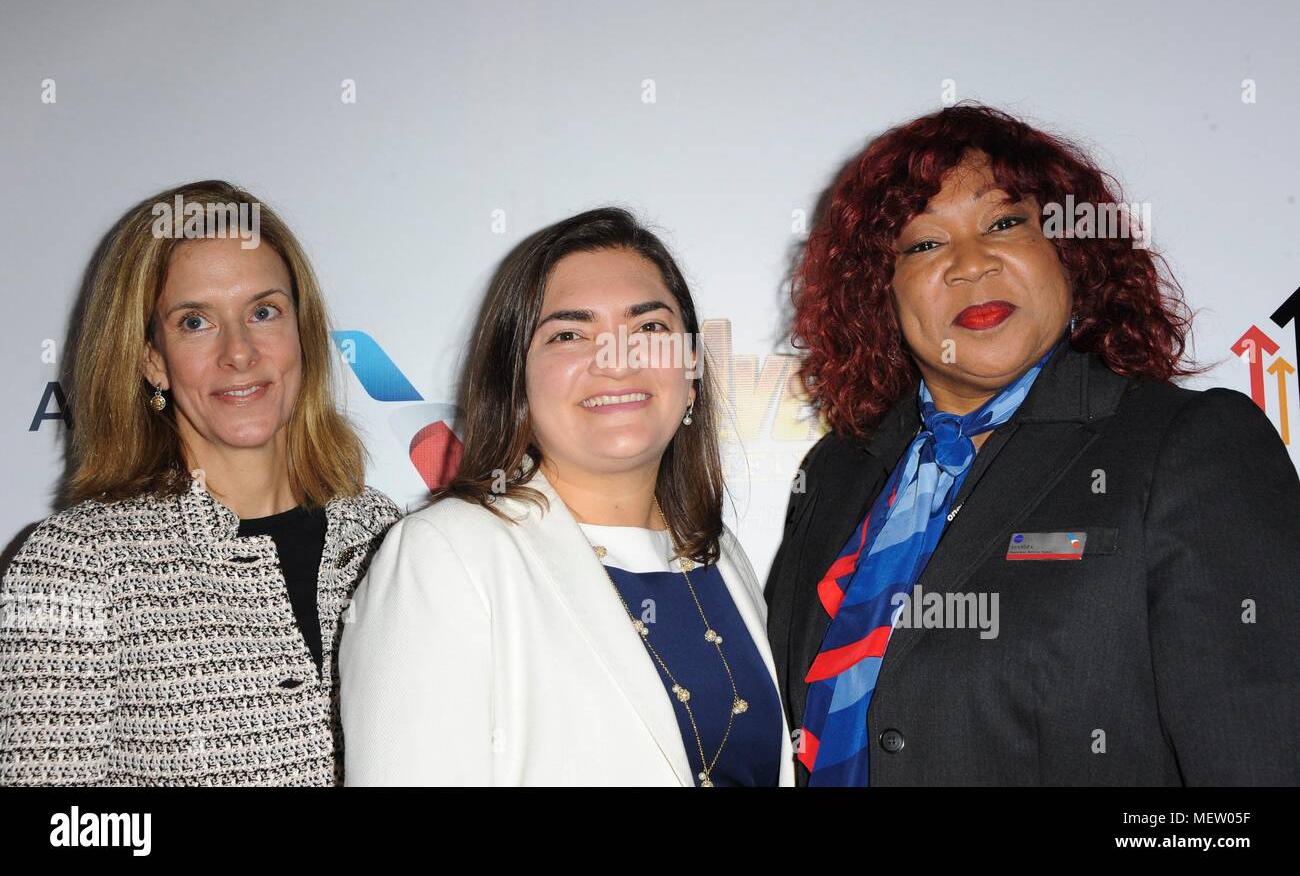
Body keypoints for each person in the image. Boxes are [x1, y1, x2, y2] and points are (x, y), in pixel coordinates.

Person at [765, 104, 1300, 786]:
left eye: (1004, 224)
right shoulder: (838, 473)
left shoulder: (1188, 446)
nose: (970, 264)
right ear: (882, 294)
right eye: (925, 245)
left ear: (1070, 253)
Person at [340, 207, 793, 786]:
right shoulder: (446, 554)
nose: (615, 360)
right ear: (516, 386)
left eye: (649, 328)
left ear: (692, 372)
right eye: (570, 334)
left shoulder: (719, 554)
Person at [0, 180, 401, 785]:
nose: (239, 352)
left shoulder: (384, 535)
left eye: (264, 312)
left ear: (302, 333)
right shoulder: (73, 565)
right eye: (194, 322)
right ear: (150, 359)